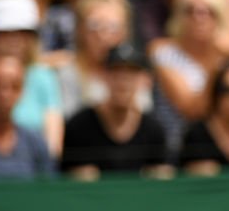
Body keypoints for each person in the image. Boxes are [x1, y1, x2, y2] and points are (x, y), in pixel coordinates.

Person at [61, 44, 170, 180]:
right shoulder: (78, 127)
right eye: (116, 71)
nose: (122, 81)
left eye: (131, 73)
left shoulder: (154, 130)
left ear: (145, 80)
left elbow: (162, 180)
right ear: (102, 76)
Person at [148, 0, 229, 158]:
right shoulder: (162, 52)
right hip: (174, 152)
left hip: (220, 152)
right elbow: (193, 110)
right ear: (179, 15)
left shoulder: (226, 58)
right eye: (191, 11)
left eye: (208, 12)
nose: (200, 18)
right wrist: (216, 61)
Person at [0, 0, 64, 155]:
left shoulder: (44, 77)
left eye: (22, 32)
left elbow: (53, 144)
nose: (14, 39)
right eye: (5, 32)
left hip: (33, 170)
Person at [55, 0, 145, 117]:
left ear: (125, 32)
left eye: (113, 26)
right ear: (80, 29)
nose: (103, 35)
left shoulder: (136, 73)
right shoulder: (65, 72)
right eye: (94, 25)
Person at [0, 54, 55, 179]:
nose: (4, 94)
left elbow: (48, 191)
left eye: (14, 86)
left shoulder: (35, 143)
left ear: (22, 91)